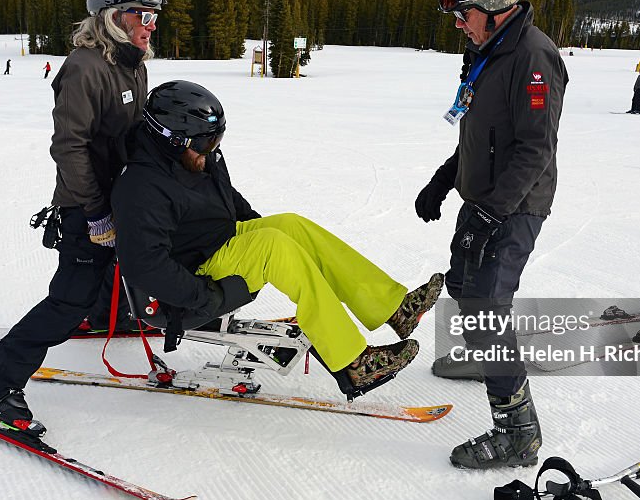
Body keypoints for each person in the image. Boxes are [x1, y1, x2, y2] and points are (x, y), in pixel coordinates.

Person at [112, 80, 444, 396]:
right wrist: (204, 298)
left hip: (214, 245)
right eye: (205, 145)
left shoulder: (190, 155)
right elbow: (144, 265)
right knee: (275, 247)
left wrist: (262, 227)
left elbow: (223, 194)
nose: (211, 151)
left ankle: (393, 308)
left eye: (216, 141)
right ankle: (353, 362)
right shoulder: (140, 186)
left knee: (291, 226)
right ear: (172, 138)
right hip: (190, 281)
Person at [0, 0, 164, 438]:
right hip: (84, 203)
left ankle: (106, 314)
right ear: (113, 16)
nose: (151, 23)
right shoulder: (84, 67)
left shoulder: (132, 61)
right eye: (143, 14)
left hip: (117, 195)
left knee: (116, 265)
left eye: (153, 15)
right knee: (67, 298)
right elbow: (69, 147)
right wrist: (94, 213)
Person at [416, 0, 567, 469]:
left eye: (465, 13)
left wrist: (495, 212)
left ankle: (518, 432)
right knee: (464, 284)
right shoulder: (487, 52)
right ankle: (487, 355)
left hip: (516, 204)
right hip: (483, 199)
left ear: (496, 8)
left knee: (484, 301)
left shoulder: (533, 58)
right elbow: (480, 134)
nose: (458, 23)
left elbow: (533, 149)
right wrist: (445, 179)